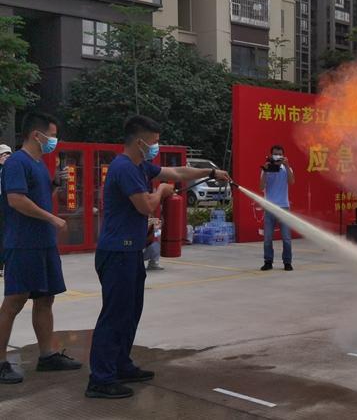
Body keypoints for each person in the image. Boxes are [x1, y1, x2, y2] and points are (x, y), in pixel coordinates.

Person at [87, 115, 231, 398]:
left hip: (130, 252)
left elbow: (176, 173)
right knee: (115, 315)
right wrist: (162, 191)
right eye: (153, 142)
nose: (156, 147)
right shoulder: (125, 167)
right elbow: (145, 206)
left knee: (130, 312)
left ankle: (120, 363)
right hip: (116, 252)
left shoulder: (141, 165)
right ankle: (100, 379)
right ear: (139, 141)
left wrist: (210, 173)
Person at [0, 113, 83, 385]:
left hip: (44, 244)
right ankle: (0, 362)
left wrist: (55, 186)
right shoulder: (17, 162)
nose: (54, 141)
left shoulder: (39, 164)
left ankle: (47, 355)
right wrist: (52, 218)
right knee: (14, 302)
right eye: (52, 135)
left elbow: (40, 198)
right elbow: (16, 200)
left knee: (45, 298)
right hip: (23, 244)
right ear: (37, 135)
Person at [260, 145, 295, 271]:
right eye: (275, 154)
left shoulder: (287, 168)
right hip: (269, 207)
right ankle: (268, 261)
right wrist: (265, 170)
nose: (277, 156)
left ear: (284, 155)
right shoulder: (266, 168)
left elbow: (291, 182)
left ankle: (287, 262)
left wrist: (286, 165)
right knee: (268, 238)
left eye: (280, 154)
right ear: (271, 155)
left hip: (284, 207)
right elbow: (261, 186)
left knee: (286, 238)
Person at [0, 144, 11, 275]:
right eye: (3, 155)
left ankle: (5, 264)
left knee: (6, 234)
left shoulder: (12, 169)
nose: (6, 157)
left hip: (8, 202)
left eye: (8, 154)